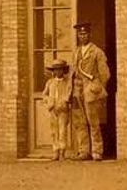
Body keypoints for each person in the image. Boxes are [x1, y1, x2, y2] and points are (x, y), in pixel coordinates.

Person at [69, 22, 110, 161]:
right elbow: (72, 72)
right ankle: (83, 151)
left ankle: (97, 151)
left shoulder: (97, 52)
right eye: (80, 34)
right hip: (77, 89)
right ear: (78, 36)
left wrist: (97, 88)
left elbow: (105, 74)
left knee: (93, 122)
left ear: (89, 35)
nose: (82, 36)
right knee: (79, 122)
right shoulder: (76, 52)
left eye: (85, 33)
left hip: (90, 90)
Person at [41, 59, 73, 161]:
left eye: (60, 70)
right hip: (52, 110)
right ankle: (55, 151)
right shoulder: (50, 82)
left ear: (64, 71)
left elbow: (69, 94)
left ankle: (62, 152)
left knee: (62, 131)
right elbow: (44, 94)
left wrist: (65, 101)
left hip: (63, 110)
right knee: (54, 132)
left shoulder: (67, 82)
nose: (57, 72)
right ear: (53, 71)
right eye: (55, 70)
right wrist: (49, 101)